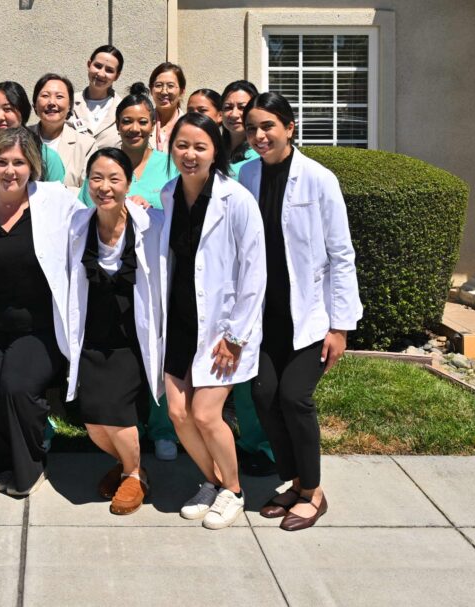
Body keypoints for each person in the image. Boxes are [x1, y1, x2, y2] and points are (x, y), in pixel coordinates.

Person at [239, 92, 362, 531]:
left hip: (310, 316)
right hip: (264, 315)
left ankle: (314, 491)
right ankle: (293, 483)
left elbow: (341, 254)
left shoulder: (318, 179)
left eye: (268, 126)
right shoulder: (245, 177)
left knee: (294, 397)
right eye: (252, 128)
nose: (259, 135)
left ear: (290, 128)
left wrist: (341, 326)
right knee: (262, 396)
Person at [0, 127, 79, 497]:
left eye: (19, 163)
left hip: (37, 328)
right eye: (2, 162)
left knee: (17, 388)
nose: (10, 171)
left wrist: (131, 207)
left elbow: (98, 218)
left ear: (33, 167)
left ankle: (30, 467)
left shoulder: (55, 201)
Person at [160, 112, 266, 530]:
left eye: (200, 147)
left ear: (216, 152)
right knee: (178, 413)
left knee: (205, 413)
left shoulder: (236, 200)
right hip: (181, 321)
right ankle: (211, 481)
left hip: (223, 328)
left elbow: (255, 272)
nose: (190, 154)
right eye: (182, 146)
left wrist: (236, 336)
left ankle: (235, 491)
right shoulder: (169, 194)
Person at [77, 83, 179, 461]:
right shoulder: (107, 163)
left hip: (152, 268)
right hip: (110, 273)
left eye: (141, 121)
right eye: (126, 121)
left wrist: (144, 205)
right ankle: (127, 451)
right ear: (117, 125)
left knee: (154, 349)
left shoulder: (169, 164)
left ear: (154, 124)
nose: (134, 128)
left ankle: (162, 428)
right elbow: (80, 209)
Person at [67, 148, 166, 515]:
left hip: (130, 340)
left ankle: (135, 474)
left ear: (128, 183)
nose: (104, 187)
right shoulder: (78, 224)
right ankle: (128, 467)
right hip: (93, 335)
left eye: (114, 179)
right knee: (92, 419)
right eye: (96, 178)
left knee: (119, 415)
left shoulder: (149, 224)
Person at [216, 79, 272, 477]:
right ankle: (239, 440)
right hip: (223, 275)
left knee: (251, 370)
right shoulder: (220, 152)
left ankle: (262, 446)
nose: (236, 114)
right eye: (229, 106)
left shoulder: (260, 161)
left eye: (243, 107)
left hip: (257, 275)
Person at [0, 81, 66, 189]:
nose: (0, 117)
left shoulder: (48, 157)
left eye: (8, 109)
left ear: (23, 111)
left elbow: (58, 201)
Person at [30, 73, 98, 191]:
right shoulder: (21, 138)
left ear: (70, 105)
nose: (52, 102)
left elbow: (88, 192)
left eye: (59, 97)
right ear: (35, 104)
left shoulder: (86, 145)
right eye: (45, 96)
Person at [69, 45, 125, 149]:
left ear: (117, 76)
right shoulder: (68, 103)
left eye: (109, 70)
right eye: (98, 66)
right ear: (89, 65)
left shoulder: (124, 109)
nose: (101, 73)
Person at [221, 80, 262, 177]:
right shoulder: (214, 149)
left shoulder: (262, 152)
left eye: (242, 107)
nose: (234, 114)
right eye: (228, 107)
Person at [149, 62, 186, 153]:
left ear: (181, 92)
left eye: (170, 86)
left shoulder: (188, 125)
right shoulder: (143, 122)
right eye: (158, 85)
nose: (164, 92)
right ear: (151, 89)